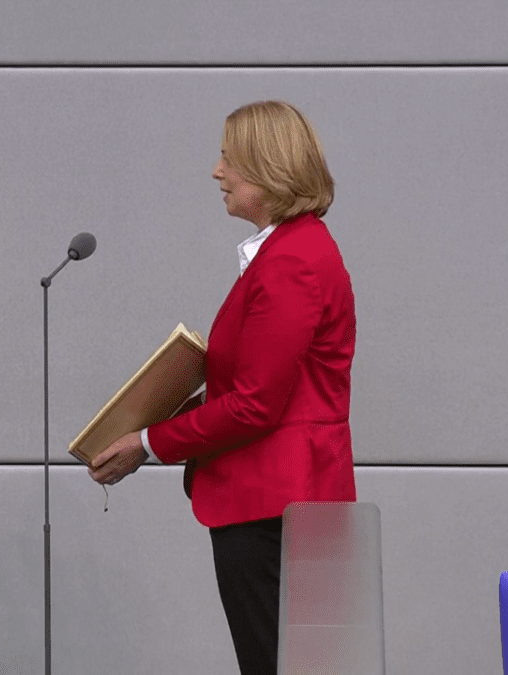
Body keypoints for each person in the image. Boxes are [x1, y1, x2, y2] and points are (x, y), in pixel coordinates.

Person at [89, 101, 356, 675]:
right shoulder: (292, 250)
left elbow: (256, 405)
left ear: (268, 167)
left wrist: (149, 441)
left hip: (273, 504)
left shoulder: (291, 261)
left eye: (228, 158)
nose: (217, 172)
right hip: (285, 499)